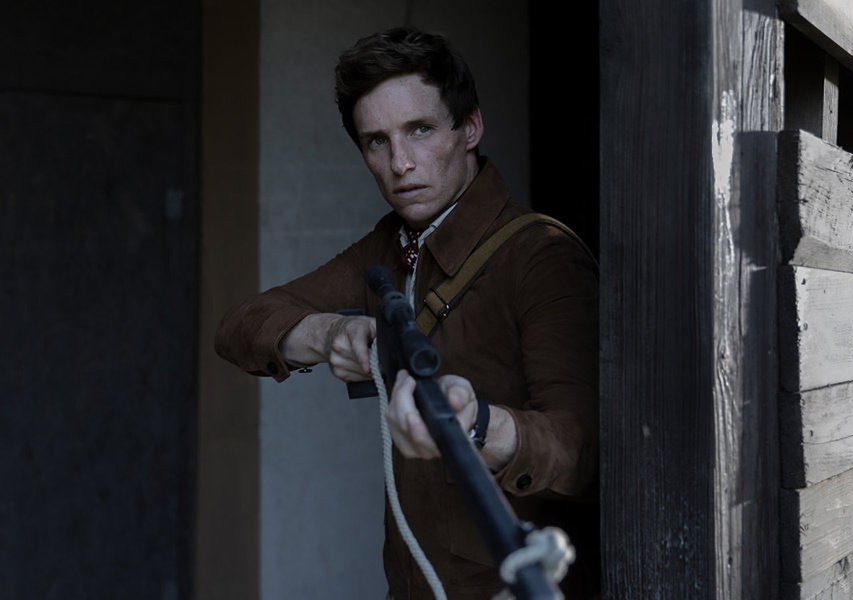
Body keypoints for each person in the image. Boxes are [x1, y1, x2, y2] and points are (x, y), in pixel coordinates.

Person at [214, 27, 599, 599]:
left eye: (420, 130)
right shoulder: (390, 245)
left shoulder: (539, 254)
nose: (400, 163)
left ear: (469, 127)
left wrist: (476, 425)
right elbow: (240, 325)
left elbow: (582, 451)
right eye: (377, 141)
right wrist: (326, 332)